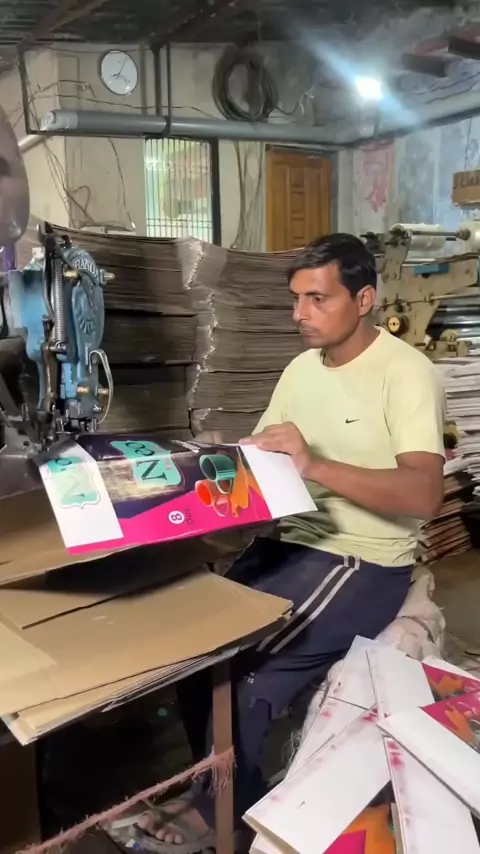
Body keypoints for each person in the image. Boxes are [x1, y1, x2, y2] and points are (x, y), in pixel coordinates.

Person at [137, 233, 445, 852]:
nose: (299, 314)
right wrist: (193, 478)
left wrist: (315, 465)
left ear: (364, 299)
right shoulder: (300, 370)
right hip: (291, 543)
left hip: (360, 559)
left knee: (248, 677)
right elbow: (263, 462)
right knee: (191, 654)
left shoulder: (407, 373)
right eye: (295, 299)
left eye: (317, 299)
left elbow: (424, 495)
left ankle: (224, 809)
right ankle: (223, 788)